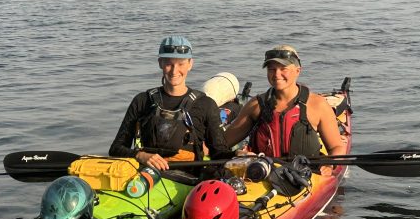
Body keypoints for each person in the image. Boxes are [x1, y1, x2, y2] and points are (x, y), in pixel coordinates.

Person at [108, 36, 232, 171]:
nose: (174, 71)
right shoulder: (142, 100)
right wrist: (140, 155)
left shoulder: (206, 104)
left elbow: (219, 153)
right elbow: (116, 149)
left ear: (190, 64)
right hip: (148, 174)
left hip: (189, 177)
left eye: (181, 64)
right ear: (160, 63)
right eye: (169, 64)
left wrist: (238, 155)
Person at [224, 45, 345, 175]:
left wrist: (330, 163)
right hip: (263, 176)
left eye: (283, 69)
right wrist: (237, 153)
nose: (277, 74)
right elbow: (222, 143)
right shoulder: (255, 106)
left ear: (298, 71)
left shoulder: (318, 105)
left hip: (307, 175)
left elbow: (336, 147)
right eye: (271, 69)